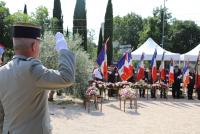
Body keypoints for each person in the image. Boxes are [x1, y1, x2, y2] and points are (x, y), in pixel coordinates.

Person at [0, 23, 75, 134]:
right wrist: (63, 49)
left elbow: (1, 114)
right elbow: (66, 77)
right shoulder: (32, 69)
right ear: (34, 46)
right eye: (39, 44)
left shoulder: (2, 71)